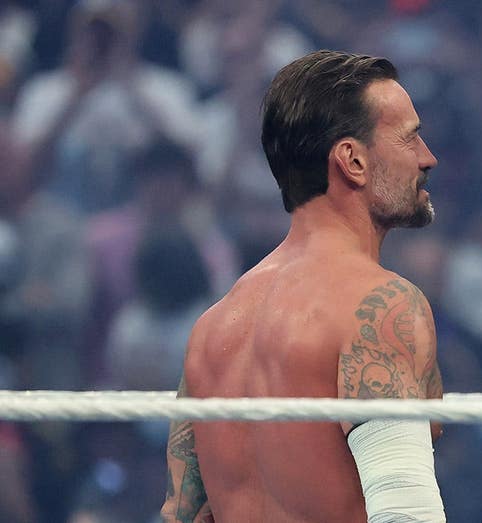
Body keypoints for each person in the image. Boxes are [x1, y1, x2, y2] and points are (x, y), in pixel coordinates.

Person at [160, 50, 445, 523]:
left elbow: (181, 514)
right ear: (353, 160)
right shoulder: (379, 306)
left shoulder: (211, 329)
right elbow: (406, 513)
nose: (427, 157)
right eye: (409, 137)